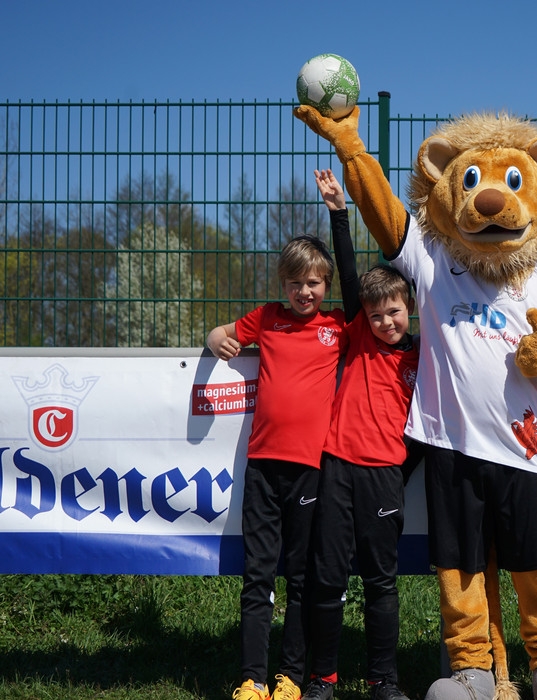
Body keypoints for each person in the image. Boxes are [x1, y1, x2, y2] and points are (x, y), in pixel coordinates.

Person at [207, 174, 358, 700]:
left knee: (300, 577)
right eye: (295, 282)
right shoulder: (268, 319)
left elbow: (358, 288)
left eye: (313, 282)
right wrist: (217, 340)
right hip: (263, 468)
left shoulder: (339, 327)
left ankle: (290, 676)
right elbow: (221, 332)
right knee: (258, 577)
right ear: (283, 284)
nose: (304, 292)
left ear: (326, 285)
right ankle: (252, 679)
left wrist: (339, 213)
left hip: (310, 470)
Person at [300, 169, 420, 700]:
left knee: (380, 582)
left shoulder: (424, 357)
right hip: (336, 469)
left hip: (384, 478)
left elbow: (431, 426)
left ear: (409, 308)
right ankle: (322, 679)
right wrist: (339, 213)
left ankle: (383, 681)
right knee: (327, 578)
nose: (385, 322)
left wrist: (398, 468)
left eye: (394, 312)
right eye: (375, 316)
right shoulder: (360, 336)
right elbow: (348, 275)